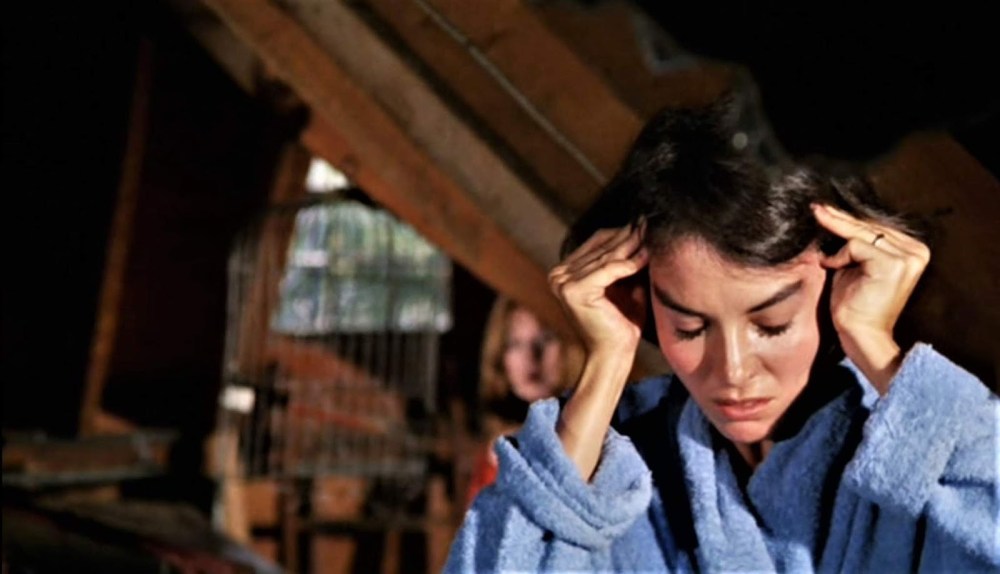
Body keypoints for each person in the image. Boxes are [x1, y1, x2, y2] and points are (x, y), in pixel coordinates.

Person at [444, 101, 999, 572]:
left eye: (772, 324)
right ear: (644, 300)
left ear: (839, 284)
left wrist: (877, 347)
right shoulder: (620, 460)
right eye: (689, 327)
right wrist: (606, 363)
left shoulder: (924, 453)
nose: (732, 371)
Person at [464, 297, 583, 507]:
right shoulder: (498, 445)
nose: (530, 356)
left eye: (545, 339)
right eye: (515, 344)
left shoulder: (603, 431)